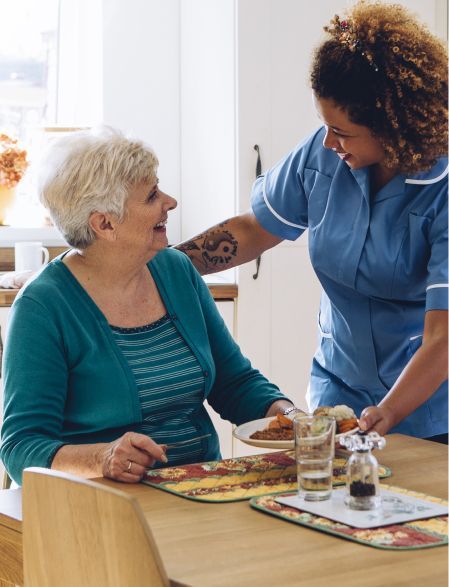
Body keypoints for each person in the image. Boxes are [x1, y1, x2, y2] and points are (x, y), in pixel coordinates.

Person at [176, 1, 448, 442]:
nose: (328, 141)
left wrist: (389, 412)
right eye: (325, 125)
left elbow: (443, 340)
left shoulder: (443, 191)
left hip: (429, 413)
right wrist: (160, 264)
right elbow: (252, 230)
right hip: (337, 393)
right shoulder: (322, 155)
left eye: (342, 131)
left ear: (394, 128)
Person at [0, 128, 296, 485]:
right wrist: (104, 457)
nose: (170, 202)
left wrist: (290, 417)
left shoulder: (176, 270)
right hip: (101, 504)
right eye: (152, 195)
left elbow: (234, 382)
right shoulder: (43, 306)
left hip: (198, 489)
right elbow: (21, 447)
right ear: (105, 223)